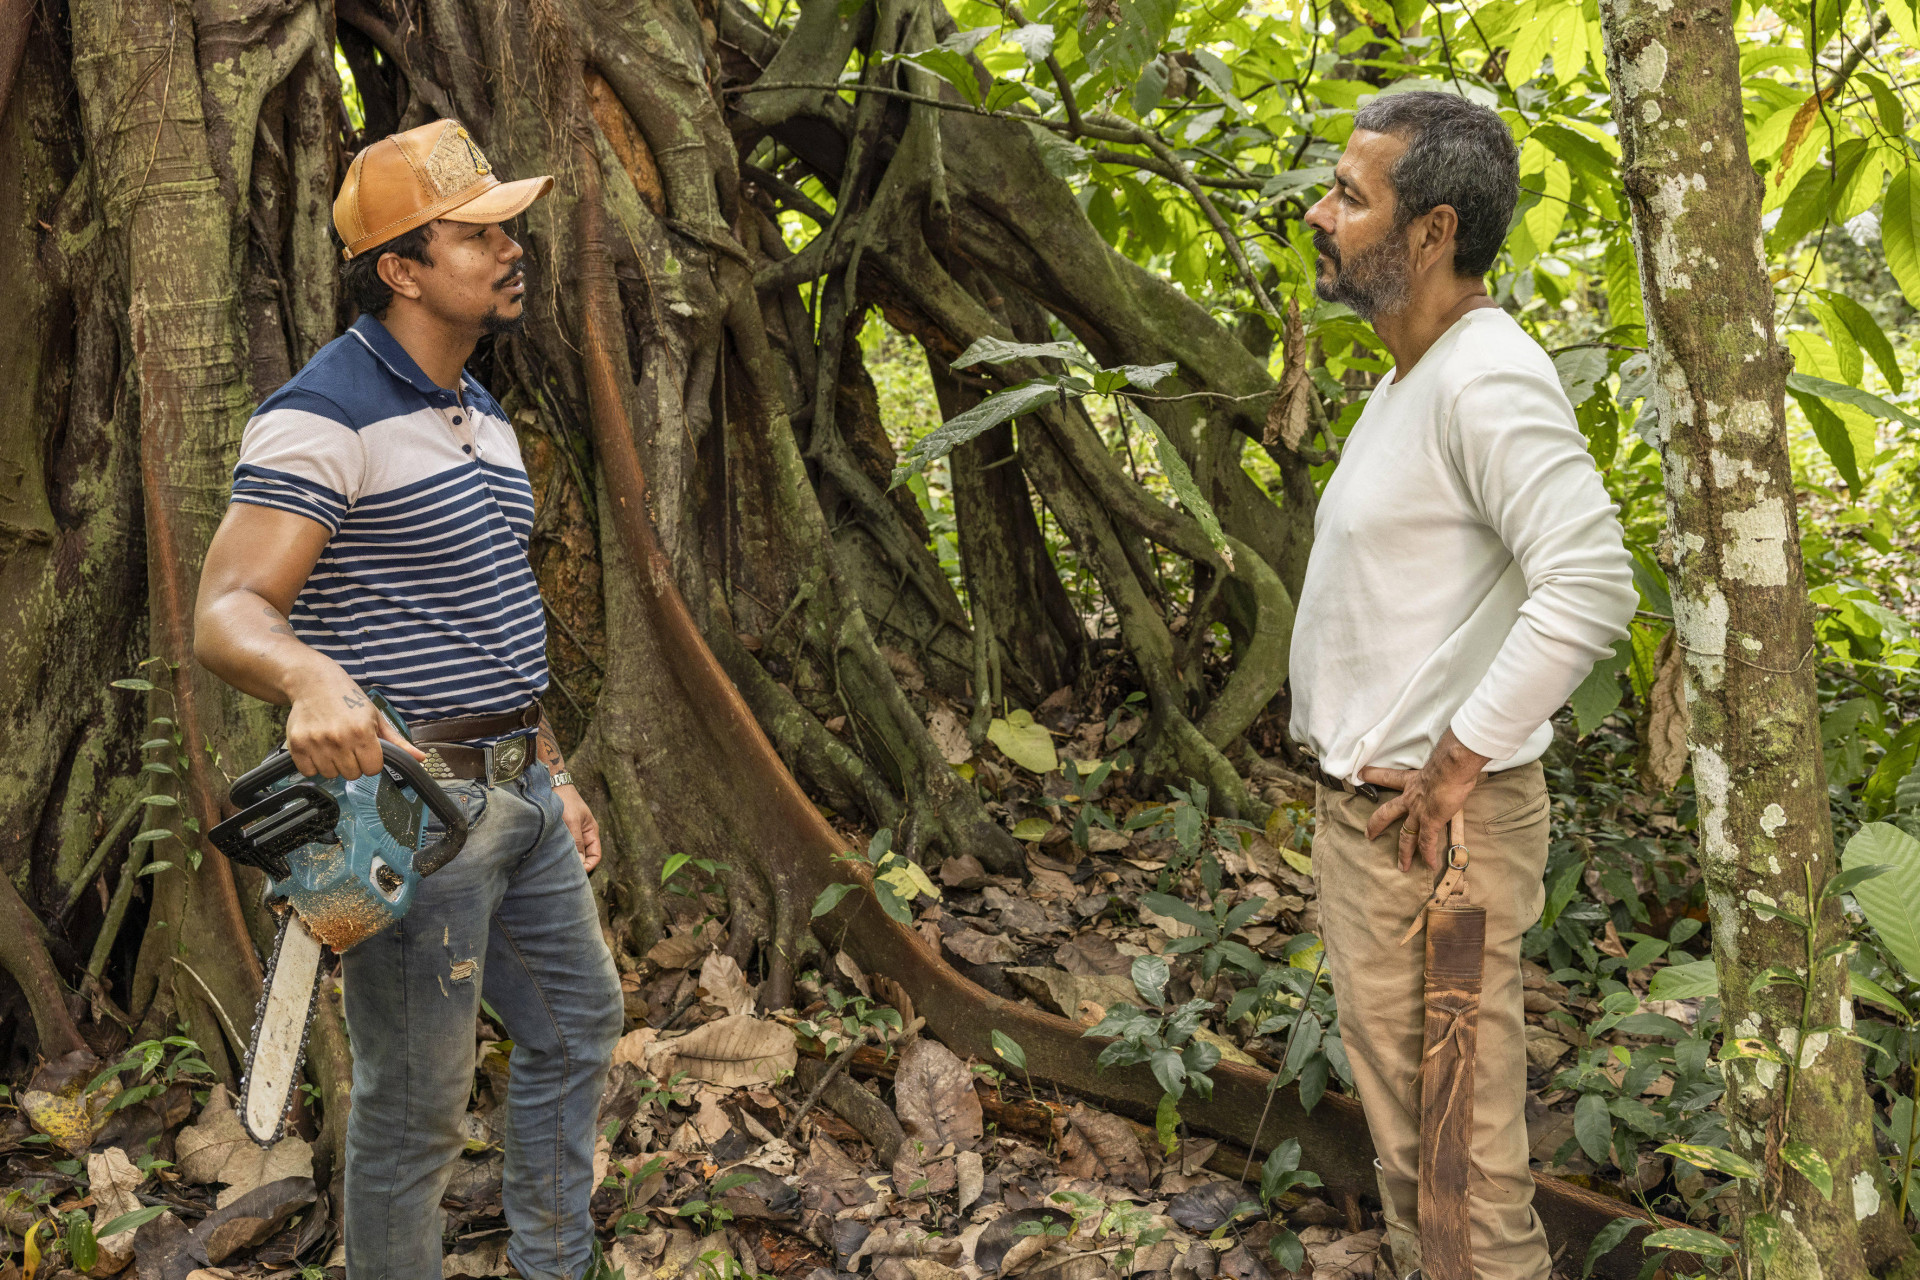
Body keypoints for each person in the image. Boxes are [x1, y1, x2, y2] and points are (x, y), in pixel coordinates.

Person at [193, 119, 623, 1280]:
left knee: (579, 1028)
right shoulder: (321, 413)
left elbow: (491, 611)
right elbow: (227, 608)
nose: (509, 245)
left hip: (519, 795)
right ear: (401, 267)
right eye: (476, 231)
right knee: (414, 1112)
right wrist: (309, 675)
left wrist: (558, 770)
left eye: (508, 224)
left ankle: (555, 1264)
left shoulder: (481, 414)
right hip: (415, 818)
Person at [1288, 91, 1638, 1280]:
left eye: (1350, 194)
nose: (1322, 213)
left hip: (1435, 839)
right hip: (1390, 835)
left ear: (1431, 232)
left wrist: (1453, 765)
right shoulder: (1414, 377)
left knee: (1459, 1182)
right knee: (1419, 1161)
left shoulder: (1486, 375)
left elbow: (1591, 579)